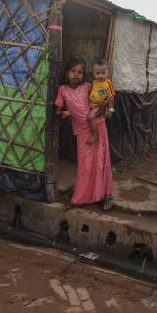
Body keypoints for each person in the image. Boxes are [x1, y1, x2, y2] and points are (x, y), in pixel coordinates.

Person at [55, 58, 114, 210]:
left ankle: (106, 195)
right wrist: (64, 112)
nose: (76, 75)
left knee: (102, 161)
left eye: (80, 72)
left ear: (83, 75)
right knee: (85, 165)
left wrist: (105, 109)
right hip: (82, 132)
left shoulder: (88, 86)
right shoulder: (62, 90)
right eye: (73, 71)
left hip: (98, 126)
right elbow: (58, 110)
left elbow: (101, 97)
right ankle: (80, 197)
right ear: (67, 73)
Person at [86, 58, 115, 144]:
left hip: (100, 105)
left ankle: (95, 135)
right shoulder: (94, 82)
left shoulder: (108, 83)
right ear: (93, 73)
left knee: (90, 117)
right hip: (92, 105)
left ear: (108, 72)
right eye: (97, 73)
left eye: (103, 73)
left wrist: (111, 110)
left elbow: (111, 97)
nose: (100, 75)